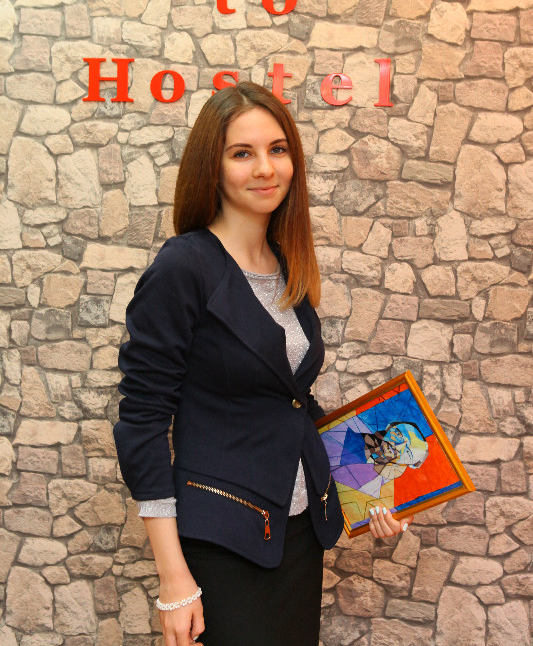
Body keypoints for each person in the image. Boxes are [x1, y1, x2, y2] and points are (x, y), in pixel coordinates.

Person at [113, 82, 414, 646]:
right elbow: (143, 420)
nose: (265, 168)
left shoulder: (285, 264)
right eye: (242, 153)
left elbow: (292, 402)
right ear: (213, 167)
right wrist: (174, 580)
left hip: (298, 533)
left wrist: (372, 487)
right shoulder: (184, 266)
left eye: (277, 149)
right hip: (222, 541)